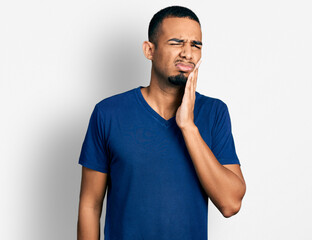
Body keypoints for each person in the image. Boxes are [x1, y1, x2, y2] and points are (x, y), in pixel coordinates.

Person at [77, 5, 246, 240]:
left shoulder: (214, 112)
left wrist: (188, 126)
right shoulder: (108, 113)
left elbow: (230, 203)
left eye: (195, 45)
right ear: (149, 50)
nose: (188, 53)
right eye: (177, 42)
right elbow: (90, 205)